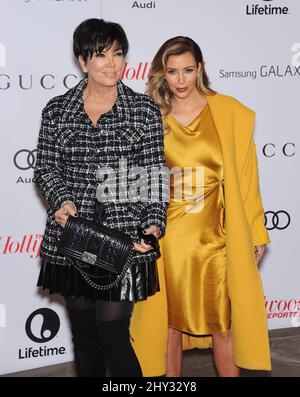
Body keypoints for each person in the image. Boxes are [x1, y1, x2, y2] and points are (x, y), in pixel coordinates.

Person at [34, 18, 168, 377]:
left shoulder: (142, 112)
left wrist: (152, 226)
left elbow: (155, 178)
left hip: (122, 242)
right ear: (83, 61)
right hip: (73, 237)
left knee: (113, 335)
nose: (112, 64)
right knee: (84, 336)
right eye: (101, 55)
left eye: (118, 54)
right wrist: (62, 201)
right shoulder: (57, 111)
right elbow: (46, 169)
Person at [146, 36, 271, 376]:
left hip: (216, 239)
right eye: (172, 72)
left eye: (188, 70)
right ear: (162, 74)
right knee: (167, 329)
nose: (181, 80)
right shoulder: (150, 116)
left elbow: (247, 180)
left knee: (223, 326)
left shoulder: (229, 112)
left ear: (200, 68)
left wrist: (255, 233)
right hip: (166, 239)